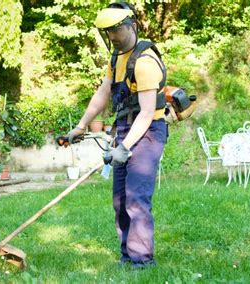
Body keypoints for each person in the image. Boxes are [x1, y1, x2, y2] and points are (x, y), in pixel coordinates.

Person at [66, 2, 167, 269]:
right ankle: (127, 255)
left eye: (116, 31)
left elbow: (146, 113)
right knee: (120, 200)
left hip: (148, 133)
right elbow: (103, 94)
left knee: (136, 198)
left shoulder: (145, 62)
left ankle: (143, 260)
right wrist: (81, 126)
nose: (112, 37)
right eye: (107, 32)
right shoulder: (116, 58)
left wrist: (124, 148)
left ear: (132, 26)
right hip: (125, 129)